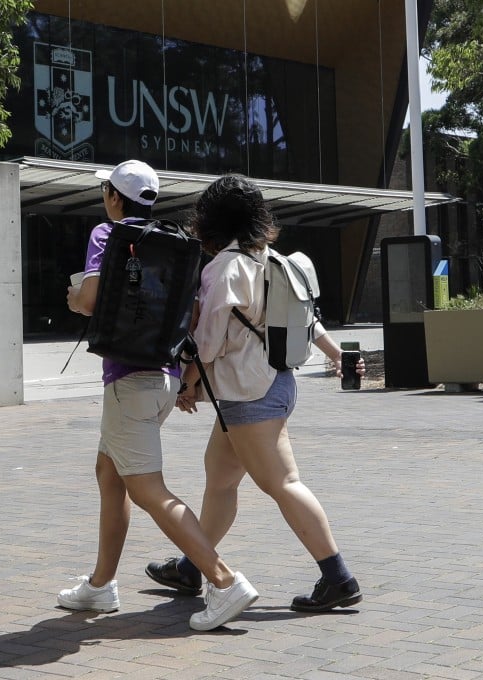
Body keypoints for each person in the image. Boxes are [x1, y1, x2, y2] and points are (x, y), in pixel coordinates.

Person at [144, 173, 363, 613]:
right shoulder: (273, 258)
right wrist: (337, 353)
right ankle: (191, 566)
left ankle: (338, 577)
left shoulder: (224, 268)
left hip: (248, 395)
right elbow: (305, 321)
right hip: (276, 384)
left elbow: (207, 343)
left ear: (212, 220)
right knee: (221, 479)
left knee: (283, 483)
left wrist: (187, 384)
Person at [58, 160, 258, 631]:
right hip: (164, 379)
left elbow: (87, 301)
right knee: (110, 473)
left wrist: (73, 299)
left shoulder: (108, 235)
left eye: (106, 191)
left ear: (113, 197)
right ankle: (100, 586)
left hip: (128, 381)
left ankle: (225, 581)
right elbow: (190, 314)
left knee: (148, 489)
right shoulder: (176, 246)